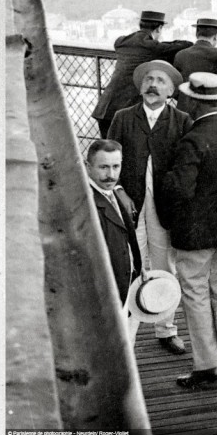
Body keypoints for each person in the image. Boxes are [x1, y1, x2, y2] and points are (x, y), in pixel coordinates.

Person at [162, 73, 217, 389]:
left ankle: (207, 365)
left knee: (195, 292)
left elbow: (182, 188)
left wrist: (164, 178)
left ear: (195, 102)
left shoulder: (192, 140)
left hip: (195, 233)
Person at [106, 60, 193, 356]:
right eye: (148, 80)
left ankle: (165, 328)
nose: (152, 85)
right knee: (130, 265)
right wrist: (118, 190)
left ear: (171, 91)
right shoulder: (123, 117)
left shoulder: (182, 121)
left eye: (160, 81)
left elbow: (185, 167)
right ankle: (125, 331)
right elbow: (108, 157)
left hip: (163, 207)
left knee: (164, 265)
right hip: (129, 204)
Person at [92, 10, 193, 138]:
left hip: (105, 107)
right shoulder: (153, 48)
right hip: (125, 111)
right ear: (159, 28)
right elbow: (185, 45)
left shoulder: (122, 42)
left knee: (108, 151)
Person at [85, 139, 142, 345]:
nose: (111, 174)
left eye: (116, 166)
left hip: (125, 285)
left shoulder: (112, 193)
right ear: (88, 166)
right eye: (103, 167)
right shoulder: (87, 203)